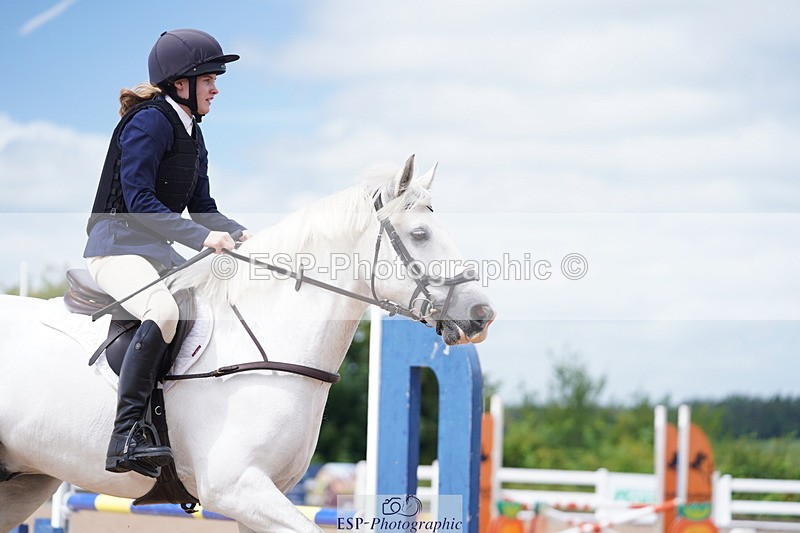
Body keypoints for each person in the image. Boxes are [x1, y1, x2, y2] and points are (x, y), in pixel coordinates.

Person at [84, 28, 252, 477]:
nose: (216, 88)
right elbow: (139, 202)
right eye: (210, 79)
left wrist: (244, 235)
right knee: (163, 309)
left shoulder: (193, 134)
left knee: (211, 304)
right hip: (115, 246)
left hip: (153, 251)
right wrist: (202, 240)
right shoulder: (148, 121)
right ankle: (126, 434)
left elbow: (202, 209)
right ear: (182, 83)